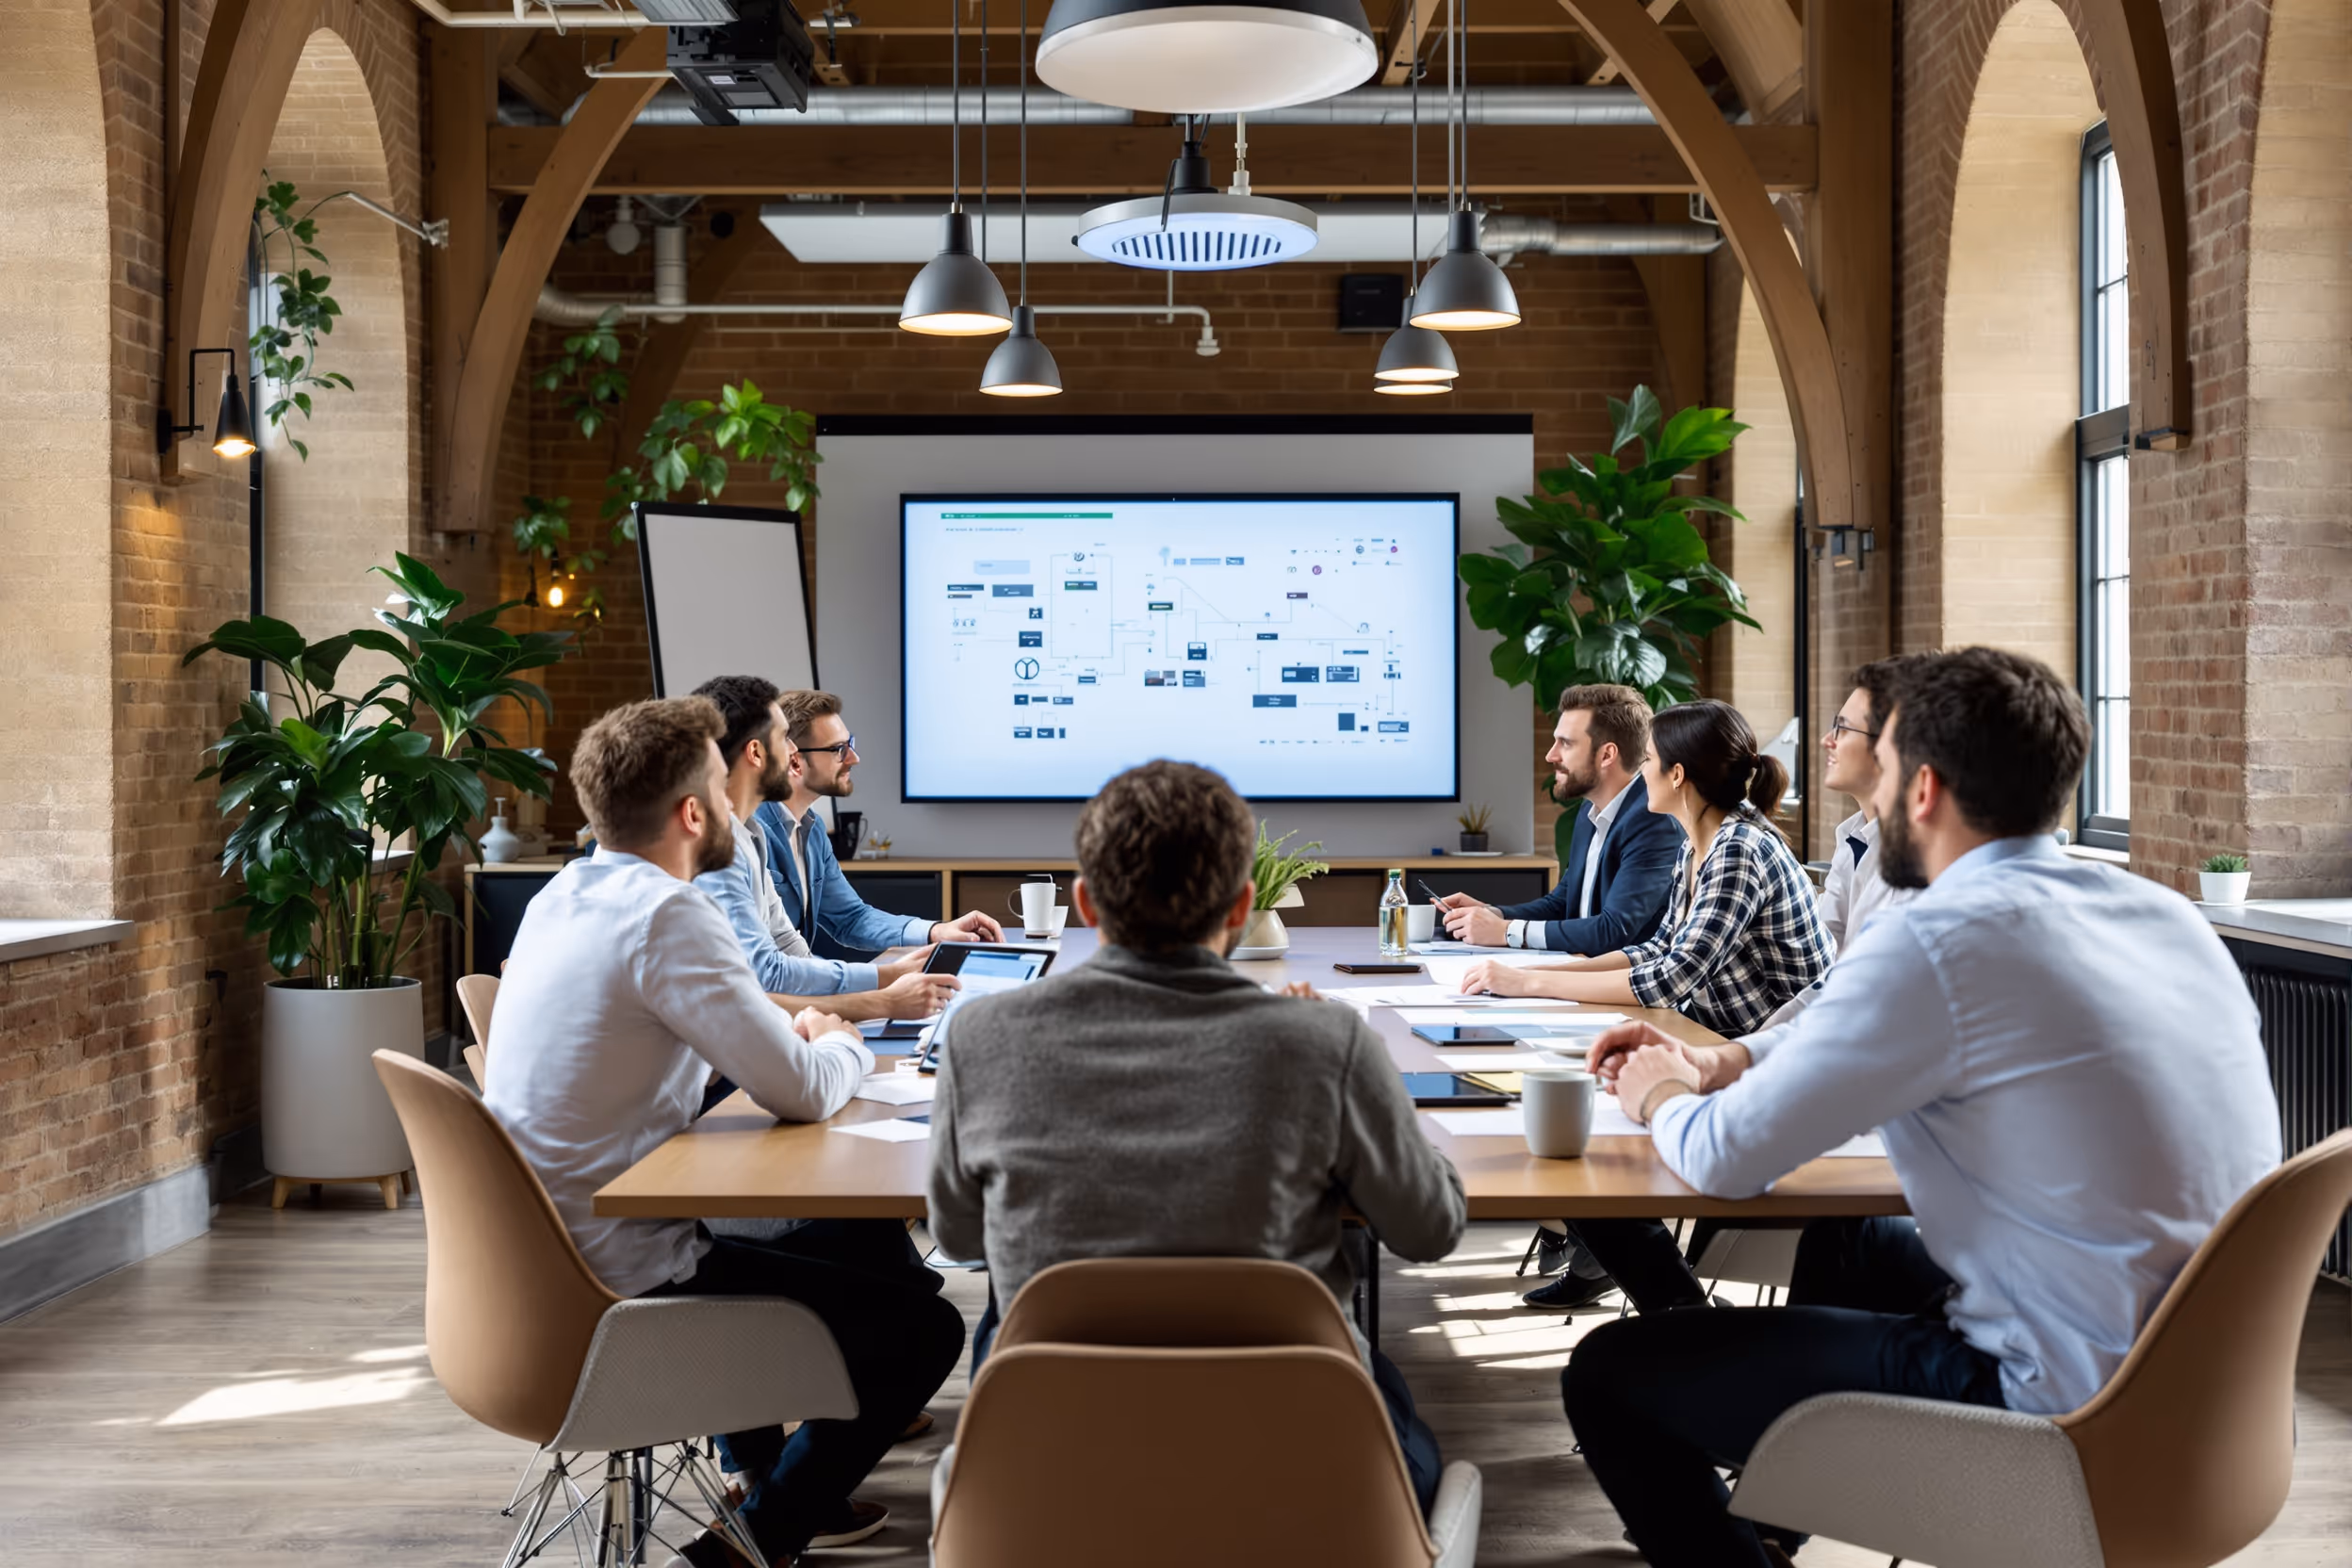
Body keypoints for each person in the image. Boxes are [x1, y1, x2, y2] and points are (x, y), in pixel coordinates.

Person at [1564, 648, 2281, 1568]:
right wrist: (1725, 1059)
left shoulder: (1938, 936)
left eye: (1888, 763)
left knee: (1613, 1372)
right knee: (1850, 1240)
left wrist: (1657, 1088)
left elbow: (1725, 1160)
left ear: (1925, 788)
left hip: (2055, 1410)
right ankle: (1777, 1514)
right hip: (2203, 1403)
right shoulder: (2164, 914)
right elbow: (1861, 1026)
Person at [482, 697, 965, 1568]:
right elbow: (803, 1090)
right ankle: (754, 1542)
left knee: (856, 1252)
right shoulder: (669, 915)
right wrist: (838, 1035)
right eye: (720, 781)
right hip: (623, 1280)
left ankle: (763, 1477)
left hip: (531, 1274)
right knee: (925, 1332)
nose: (740, 807)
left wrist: (807, 1036)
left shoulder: (562, 896)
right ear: (694, 812)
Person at [925, 760, 1468, 1515]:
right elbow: (1430, 1228)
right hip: (1300, 1469)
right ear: (1244, 905)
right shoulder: (1327, 1043)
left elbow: (957, 1234)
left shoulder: (978, 1036)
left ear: (1084, 903)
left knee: (1010, 1312)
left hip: (1051, 1476)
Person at [1550, 658, 1935, 1316]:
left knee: (1595, 1156)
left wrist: (1703, 1076)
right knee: (1587, 1144)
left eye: (1844, 726)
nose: (1826, 738)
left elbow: (1676, 973)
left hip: (1831, 1106)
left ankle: (1686, 1322)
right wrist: (1720, 1062)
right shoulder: (1849, 847)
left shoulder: (1745, 848)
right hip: (1771, 1058)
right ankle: (1688, 1322)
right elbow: (1830, 992)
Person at [1459, 699, 1832, 1031]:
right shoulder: (1697, 845)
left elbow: (1672, 978)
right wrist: (1531, 974)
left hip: (1777, 1052)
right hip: (1722, 1037)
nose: (1641, 772)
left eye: (1649, 760)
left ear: (1677, 775)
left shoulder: (1739, 850)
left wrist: (1528, 984)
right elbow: (1658, 949)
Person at [691, 675, 958, 1018]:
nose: (790, 752)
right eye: (783, 739)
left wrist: (927, 940)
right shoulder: (721, 844)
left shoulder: (761, 832)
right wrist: (884, 984)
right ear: (761, 753)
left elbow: (803, 941)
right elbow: (766, 974)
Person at [1432, 683, 1683, 953]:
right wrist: (1494, 914)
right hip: (1579, 973)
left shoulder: (1654, 821)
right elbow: (1563, 904)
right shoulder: (1589, 814)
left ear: (1607, 755)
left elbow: (1614, 929)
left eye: (1566, 743)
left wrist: (1506, 931)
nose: (1551, 755)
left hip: (1618, 987)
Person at [755, 690, 1003, 956]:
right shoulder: (750, 833)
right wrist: (875, 987)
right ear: (795, 761)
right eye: (839, 749)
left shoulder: (812, 832)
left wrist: (935, 931)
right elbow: (768, 962)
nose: (854, 758)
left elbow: (851, 919)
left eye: (850, 744)